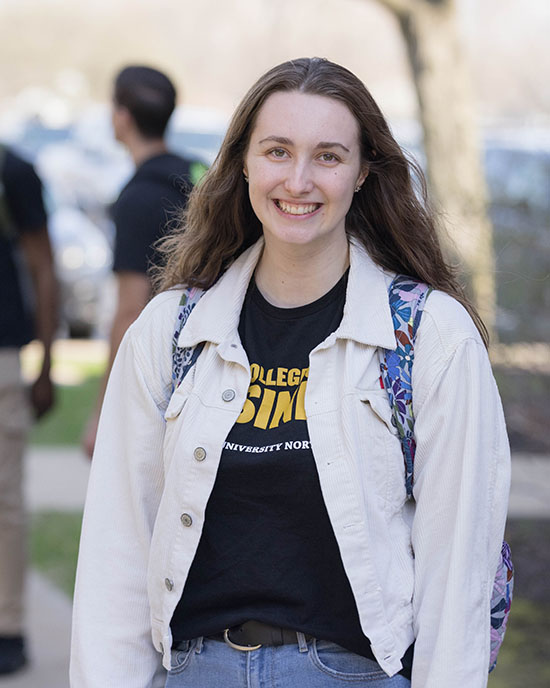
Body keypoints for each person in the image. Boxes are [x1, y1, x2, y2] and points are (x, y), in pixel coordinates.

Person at [71, 58, 510, 687]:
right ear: (244, 162)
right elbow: (117, 556)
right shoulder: (170, 332)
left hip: (353, 673)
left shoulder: (428, 337)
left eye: (328, 156)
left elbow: (458, 574)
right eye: (278, 151)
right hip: (197, 671)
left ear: (363, 173)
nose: (298, 180)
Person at [82, 65, 206, 457]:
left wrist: (103, 411)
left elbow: (130, 311)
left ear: (121, 117)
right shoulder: (201, 176)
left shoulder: (137, 199)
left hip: (164, 379)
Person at [0, 144, 57, 674]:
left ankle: (8, 628)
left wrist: (45, 363)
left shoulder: (12, 169)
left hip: (1, 358)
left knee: (4, 503)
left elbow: (43, 264)